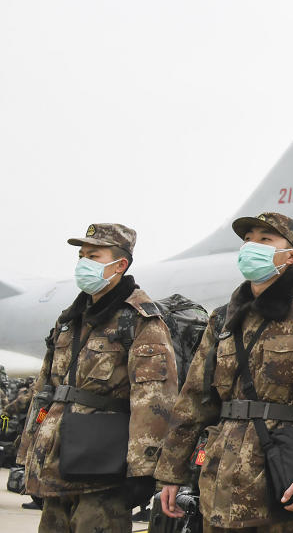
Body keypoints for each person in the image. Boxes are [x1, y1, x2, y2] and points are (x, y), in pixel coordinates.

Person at [154, 212, 293, 532]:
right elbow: (194, 399)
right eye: (249, 239)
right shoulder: (222, 319)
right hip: (218, 481)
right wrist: (170, 472)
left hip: (280, 481)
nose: (253, 246)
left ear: (291, 255)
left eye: (266, 240)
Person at [16, 223, 178, 532]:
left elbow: (154, 400)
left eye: (94, 255)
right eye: (81, 256)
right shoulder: (70, 319)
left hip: (102, 471)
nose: (83, 263)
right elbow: (44, 390)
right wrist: (29, 456)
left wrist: (143, 472)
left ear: (120, 264)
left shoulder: (140, 321)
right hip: (56, 463)